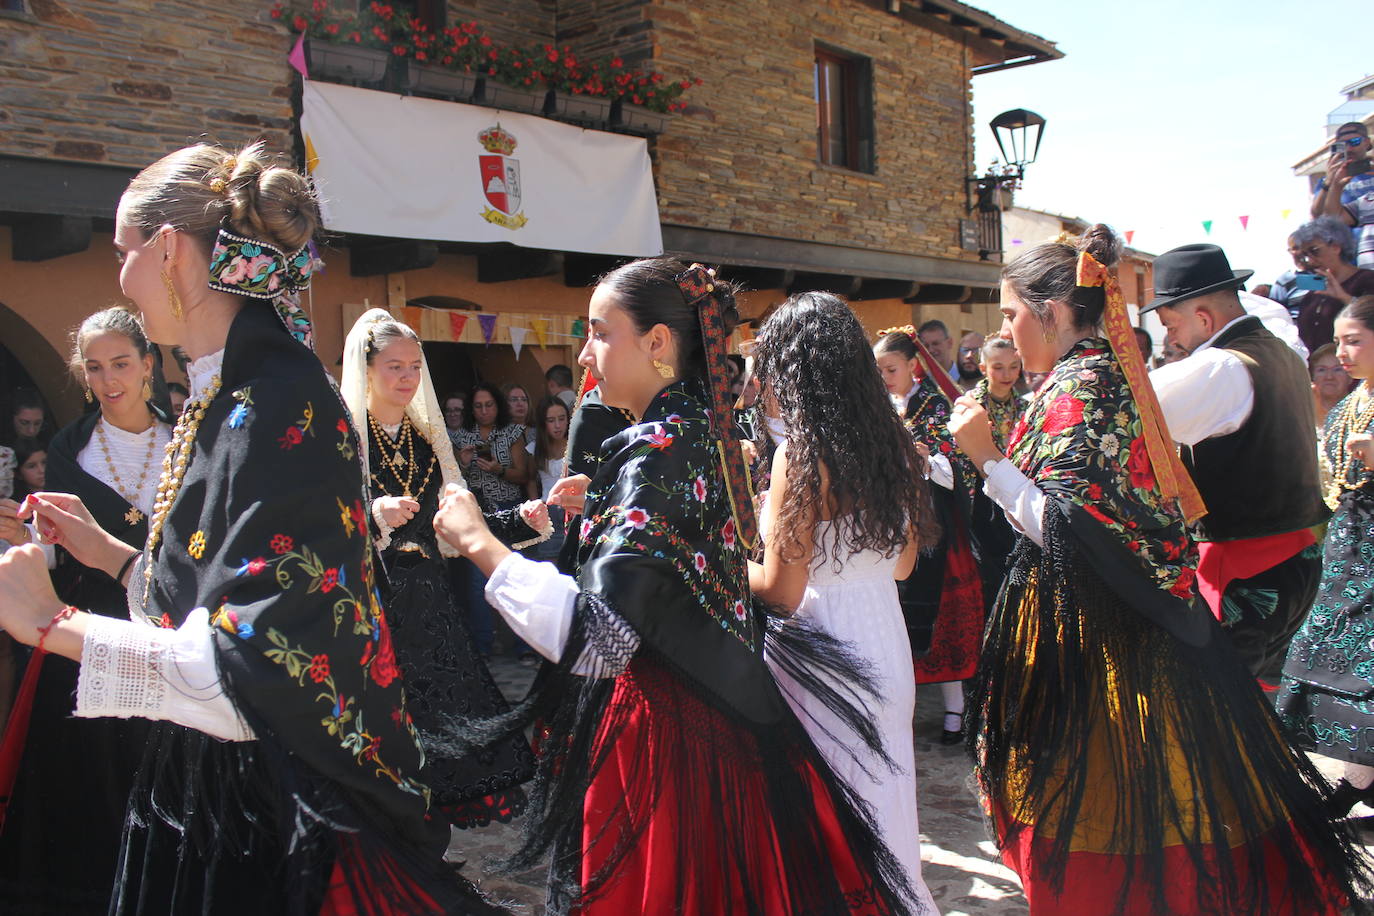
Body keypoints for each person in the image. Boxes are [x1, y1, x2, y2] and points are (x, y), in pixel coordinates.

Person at [0, 141, 499, 913]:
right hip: (216, 787)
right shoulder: (225, 395)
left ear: (168, 250)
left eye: (125, 252)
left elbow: (246, 671)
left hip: (263, 809)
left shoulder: (274, 405)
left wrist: (47, 621)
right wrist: (106, 554)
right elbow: (213, 599)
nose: (120, 276)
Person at [433, 258, 915, 915]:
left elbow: (596, 639)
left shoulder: (661, 452)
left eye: (601, 333)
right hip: (727, 724)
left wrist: (478, 544)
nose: (584, 354)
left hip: (665, 742)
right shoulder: (704, 438)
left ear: (658, 343)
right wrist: (609, 503)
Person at [949, 224, 1369, 915]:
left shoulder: (1082, 392)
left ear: (1051, 314)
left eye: (1010, 314)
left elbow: (1072, 532)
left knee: (1112, 797)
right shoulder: (1099, 380)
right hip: (1142, 610)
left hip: (1099, 626)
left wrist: (987, 459)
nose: (1007, 330)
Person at [749, 291, 941, 912]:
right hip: (884, 637)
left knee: (829, 820)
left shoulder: (802, 455)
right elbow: (905, 564)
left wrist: (721, 559)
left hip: (821, 648)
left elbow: (781, 589)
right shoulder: (893, 440)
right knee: (885, 808)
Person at [0, 307, 173, 912]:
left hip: (167, 622)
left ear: (148, 364)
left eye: (121, 363)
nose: (108, 379)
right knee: (85, 778)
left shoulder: (188, 441)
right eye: (95, 367)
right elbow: (55, 553)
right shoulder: (69, 447)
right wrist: (29, 548)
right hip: (88, 631)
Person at [341, 309, 539, 831]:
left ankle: (425, 839)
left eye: (414, 366)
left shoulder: (428, 442)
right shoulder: (342, 442)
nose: (407, 378)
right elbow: (313, 527)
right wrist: (370, 516)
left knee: (441, 731)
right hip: (372, 606)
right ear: (366, 370)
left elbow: (454, 526)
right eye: (393, 367)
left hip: (429, 608)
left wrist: (521, 519)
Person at [1146, 243, 1327, 681]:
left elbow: (1131, 409)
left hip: (1245, 565)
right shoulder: (1282, 352)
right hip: (1299, 557)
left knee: (1222, 711)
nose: (1170, 339)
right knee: (1263, 700)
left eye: (1171, 325)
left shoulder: (1219, 367)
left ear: (1204, 318)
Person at [875, 328, 1002, 745]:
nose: (885, 377)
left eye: (890, 369)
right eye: (879, 370)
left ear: (913, 366)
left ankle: (955, 711)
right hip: (893, 528)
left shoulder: (936, 406)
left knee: (947, 620)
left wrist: (928, 462)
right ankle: (900, 713)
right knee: (897, 622)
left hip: (939, 531)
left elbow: (962, 466)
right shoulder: (882, 407)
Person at [1279, 296, 1374, 818]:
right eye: (1339, 341)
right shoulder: (1348, 405)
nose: (1343, 353)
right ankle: (1360, 779)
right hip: (1349, 545)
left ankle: (1359, 780)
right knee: (1328, 647)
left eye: (1354, 339)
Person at [454, 381, 530, 655]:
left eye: (489, 405)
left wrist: (499, 469)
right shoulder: (460, 437)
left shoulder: (512, 433)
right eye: (478, 406)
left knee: (513, 576)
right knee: (477, 583)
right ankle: (482, 647)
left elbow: (523, 474)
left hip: (509, 508)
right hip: (477, 513)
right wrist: (463, 462)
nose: (484, 411)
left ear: (497, 406)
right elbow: (450, 481)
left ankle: (522, 646)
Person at [1289, 216, 1374, 353]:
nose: (1309, 260)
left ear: (1336, 247)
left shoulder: (1367, 280)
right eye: (1304, 254)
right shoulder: (1312, 294)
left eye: (1315, 251)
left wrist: (1344, 298)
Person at [1311, 121, 1374, 268]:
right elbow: (1319, 216)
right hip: (1347, 258)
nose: (1349, 148)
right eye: (1341, 145)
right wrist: (1330, 182)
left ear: (1367, 142)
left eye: (1355, 142)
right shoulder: (1328, 181)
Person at [525, 395, 569, 563]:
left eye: (561, 419)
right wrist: (535, 506)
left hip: (571, 509)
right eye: (551, 420)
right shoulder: (535, 449)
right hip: (548, 510)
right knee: (550, 562)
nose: (557, 425)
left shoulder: (574, 444)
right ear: (543, 423)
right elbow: (530, 480)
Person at [966, 337, 1024, 453]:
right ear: (983, 368)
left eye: (1013, 367)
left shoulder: (1026, 407)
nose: (1007, 375)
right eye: (998, 368)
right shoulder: (971, 405)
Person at [1311, 342, 1356, 434]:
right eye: (1322, 370)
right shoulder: (1301, 414)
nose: (1329, 377)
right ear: (1313, 376)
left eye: (1337, 369)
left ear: (1350, 377)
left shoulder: (1361, 413)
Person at [9, 438, 45, 503]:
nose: (42, 470)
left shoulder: (64, 490)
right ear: (18, 473)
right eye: (31, 466)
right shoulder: (14, 504)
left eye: (44, 462)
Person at [501, 382, 535, 447]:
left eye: (524, 399)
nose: (520, 404)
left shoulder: (539, 431)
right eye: (514, 400)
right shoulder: (497, 434)